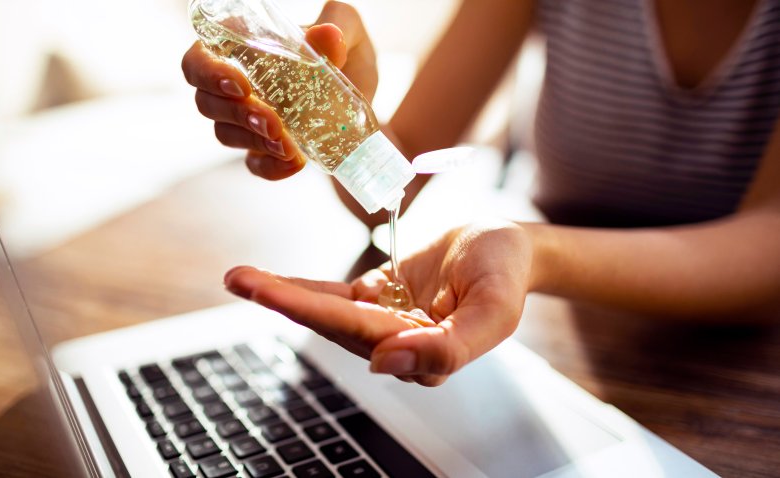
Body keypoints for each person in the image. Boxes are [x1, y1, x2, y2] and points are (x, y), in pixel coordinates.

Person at [183, 0, 780, 386]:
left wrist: (529, 252)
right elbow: (397, 179)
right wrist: (351, 116)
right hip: (553, 338)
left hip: (735, 366)